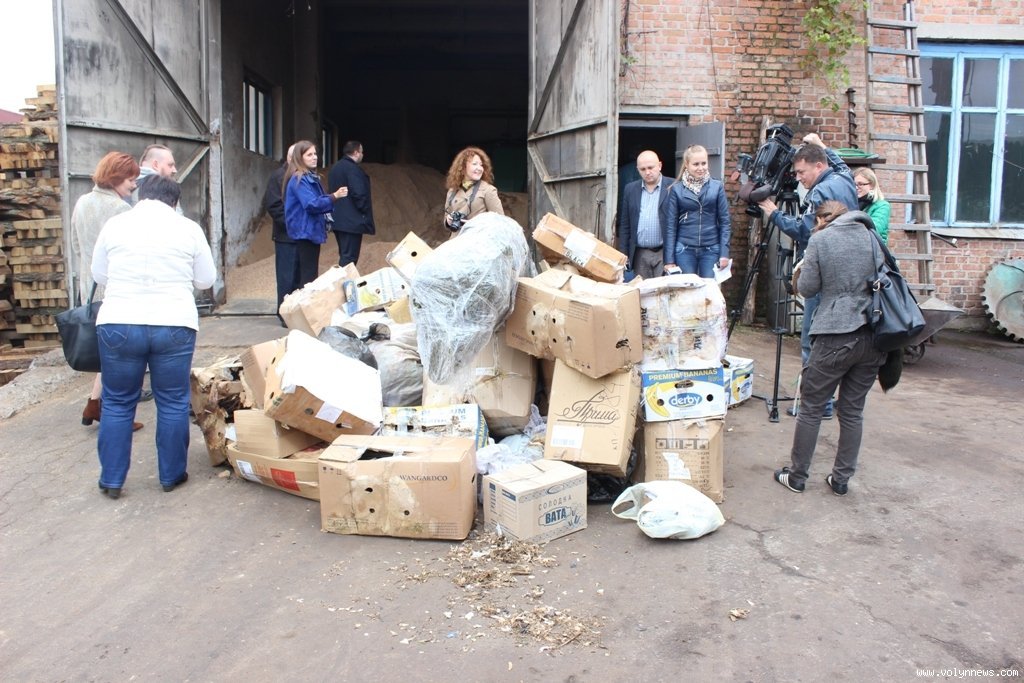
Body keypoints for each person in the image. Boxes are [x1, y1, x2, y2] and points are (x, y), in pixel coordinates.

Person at [91, 175, 216, 499]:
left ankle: (112, 480)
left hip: (119, 322)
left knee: (117, 401)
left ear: (140, 196)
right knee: (172, 400)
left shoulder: (115, 225)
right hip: (173, 322)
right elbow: (205, 280)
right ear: (174, 202)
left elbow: (99, 274)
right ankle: (171, 475)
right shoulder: (188, 228)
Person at [773, 201, 887, 496]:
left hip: (835, 334)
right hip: (873, 334)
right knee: (852, 411)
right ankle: (841, 480)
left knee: (811, 407)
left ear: (821, 219)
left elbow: (808, 288)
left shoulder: (821, 240)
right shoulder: (871, 235)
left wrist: (802, 271)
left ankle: (797, 477)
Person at [759, 133, 858, 418]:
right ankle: (831, 401)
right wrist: (823, 145)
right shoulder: (844, 179)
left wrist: (774, 213)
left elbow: (805, 231)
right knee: (838, 339)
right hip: (848, 271)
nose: (799, 178)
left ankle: (817, 405)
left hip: (823, 271)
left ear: (818, 166)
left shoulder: (819, 192)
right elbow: (841, 165)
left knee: (812, 340)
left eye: (802, 172)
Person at [69, 151, 143, 431]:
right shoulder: (121, 210)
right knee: (120, 356)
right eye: (129, 179)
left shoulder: (81, 202)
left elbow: (76, 246)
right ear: (115, 178)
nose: (134, 185)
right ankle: (113, 414)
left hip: (89, 286)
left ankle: (94, 403)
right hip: (115, 289)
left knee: (107, 353)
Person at [283, 141, 347, 289]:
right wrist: (334, 196)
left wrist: (331, 198)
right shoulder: (299, 179)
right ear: (300, 158)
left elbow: (316, 200)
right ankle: (306, 303)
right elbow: (311, 204)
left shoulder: (309, 177)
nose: (314, 157)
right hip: (305, 232)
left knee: (308, 275)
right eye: (309, 155)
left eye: (315, 154)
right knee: (308, 278)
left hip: (309, 231)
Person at [663, 145, 732, 278]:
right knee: (686, 288)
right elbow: (671, 226)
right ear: (687, 165)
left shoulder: (717, 187)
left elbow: (725, 222)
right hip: (684, 248)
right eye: (696, 164)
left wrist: (724, 253)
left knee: (709, 288)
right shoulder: (677, 190)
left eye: (703, 163)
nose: (701, 168)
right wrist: (669, 260)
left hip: (711, 248)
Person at [617, 150, 673, 280]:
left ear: (660, 166)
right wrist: (623, 253)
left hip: (664, 252)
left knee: (663, 289)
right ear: (637, 170)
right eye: (643, 169)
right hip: (639, 253)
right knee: (642, 289)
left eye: (650, 167)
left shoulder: (673, 186)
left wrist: (673, 256)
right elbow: (625, 225)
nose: (647, 172)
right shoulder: (630, 189)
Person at [263, 145, 299, 318]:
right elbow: (274, 205)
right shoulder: (279, 176)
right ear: (291, 157)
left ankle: (297, 313)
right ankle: (285, 313)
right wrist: (292, 225)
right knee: (287, 278)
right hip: (286, 236)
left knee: (299, 278)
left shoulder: (302, 176)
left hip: (302, 237)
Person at [327, 141, 375, 268]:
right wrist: (363, 211)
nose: (362, 155)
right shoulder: (353, 169)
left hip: (337, 220)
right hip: (351, 221)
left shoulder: (335, 168)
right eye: (361, 152)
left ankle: (343, 278)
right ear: (356, 152)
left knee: (345, 255)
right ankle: (344, 280)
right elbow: (359, 193)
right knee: (349, 258)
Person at [443, 146, 503, 232]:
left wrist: (477, 224)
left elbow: (500, 221)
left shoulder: (488, 190)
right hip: (457, 238)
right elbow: (446, 218)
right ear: (463, 168)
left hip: (479, 238)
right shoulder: (452, 191)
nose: (479, 168)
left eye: (481, 165)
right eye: (475, 164)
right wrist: (448, 221)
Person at [854, 167, 891, 244]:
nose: (856, 188)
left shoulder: (882, 206)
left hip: (874, 248)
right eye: (854, 184)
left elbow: (874, 229)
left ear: (871, 185)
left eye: (860, 184)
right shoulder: (853, 203)